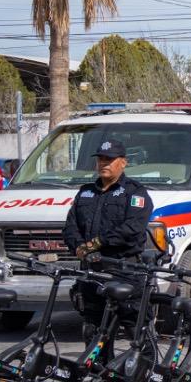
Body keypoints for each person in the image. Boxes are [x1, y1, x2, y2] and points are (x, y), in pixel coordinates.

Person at [62, 138, 154, 331]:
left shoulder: (134, 192)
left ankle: (146, 362)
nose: (103, 163)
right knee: (94, 329)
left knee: (135, 329)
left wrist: (95, 243)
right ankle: (100, 362)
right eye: (100, 159)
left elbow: (132, 228)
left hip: (124, 270)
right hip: (92, 270)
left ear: (123, 162)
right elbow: (70, 226)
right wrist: (78, 246)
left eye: (109, 159)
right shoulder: (86, 192)